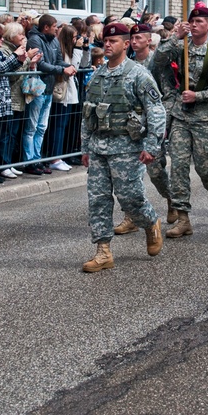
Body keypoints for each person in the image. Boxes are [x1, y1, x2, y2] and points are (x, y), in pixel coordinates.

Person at [80, 22, 165, 272]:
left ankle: (150, 222)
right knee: (98, 199)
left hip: (127, 148)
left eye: (113, 41)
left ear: (126, 44)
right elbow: (88, 114)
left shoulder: (138, 74)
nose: (107, 44)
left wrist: (151, 145)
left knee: (131, 198)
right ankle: (103, 251)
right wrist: (85, 147)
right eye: (105, 40)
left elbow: (156, 111)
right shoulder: (97, 74)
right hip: (98, 148)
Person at [155, 2, 208, 238]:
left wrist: (199, 95)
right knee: (178, 165)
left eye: (199, 22)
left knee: (207, 168)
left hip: (206, 118)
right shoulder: (180, 48)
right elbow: (158, 61)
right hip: (181, 116)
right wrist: (176, 36)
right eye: (192, 21)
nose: (194, 25)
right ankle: (183, 217)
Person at [114, 22, 174, 234]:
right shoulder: (125, 64)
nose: (136, 41)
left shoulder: (157, 64)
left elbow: (166, 96)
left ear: (149, 40)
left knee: (156, 172)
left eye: (140, 38)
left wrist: (160, 127)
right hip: (131, 129)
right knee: (129, 176)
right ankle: (131, 215)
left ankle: (171, 199)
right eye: (134, 38)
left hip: (152, 127)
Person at [0, 23, 33, 180]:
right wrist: (16, 56)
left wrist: (21, 59)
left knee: (2, 135)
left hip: (4, 98)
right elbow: (2, 68)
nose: (1, 39)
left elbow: (9, 67)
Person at [23, 14, 76, 175]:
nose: (56, 30)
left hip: (49, 88)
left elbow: (58, 60)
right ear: (46, 27)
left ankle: (37, 157)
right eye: (54, 27)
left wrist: (69, 66)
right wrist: (62, 69)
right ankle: (29, 160)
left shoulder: (53, 40)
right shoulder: (35, 40)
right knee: (31, 127)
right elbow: (42, 64)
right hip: (38, 88)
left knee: (42, 126)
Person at [47, 23, 88, 171]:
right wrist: (77, 49)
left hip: (70, 93)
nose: (77, 40)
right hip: (62, 94)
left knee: (63, 126)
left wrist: (84, 49)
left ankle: (60, 156)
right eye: (74, 37)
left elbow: (84, 63)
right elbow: (74, 67)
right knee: (58, 127)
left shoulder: (72, 50)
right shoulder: (62, 52)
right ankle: (54, 158)